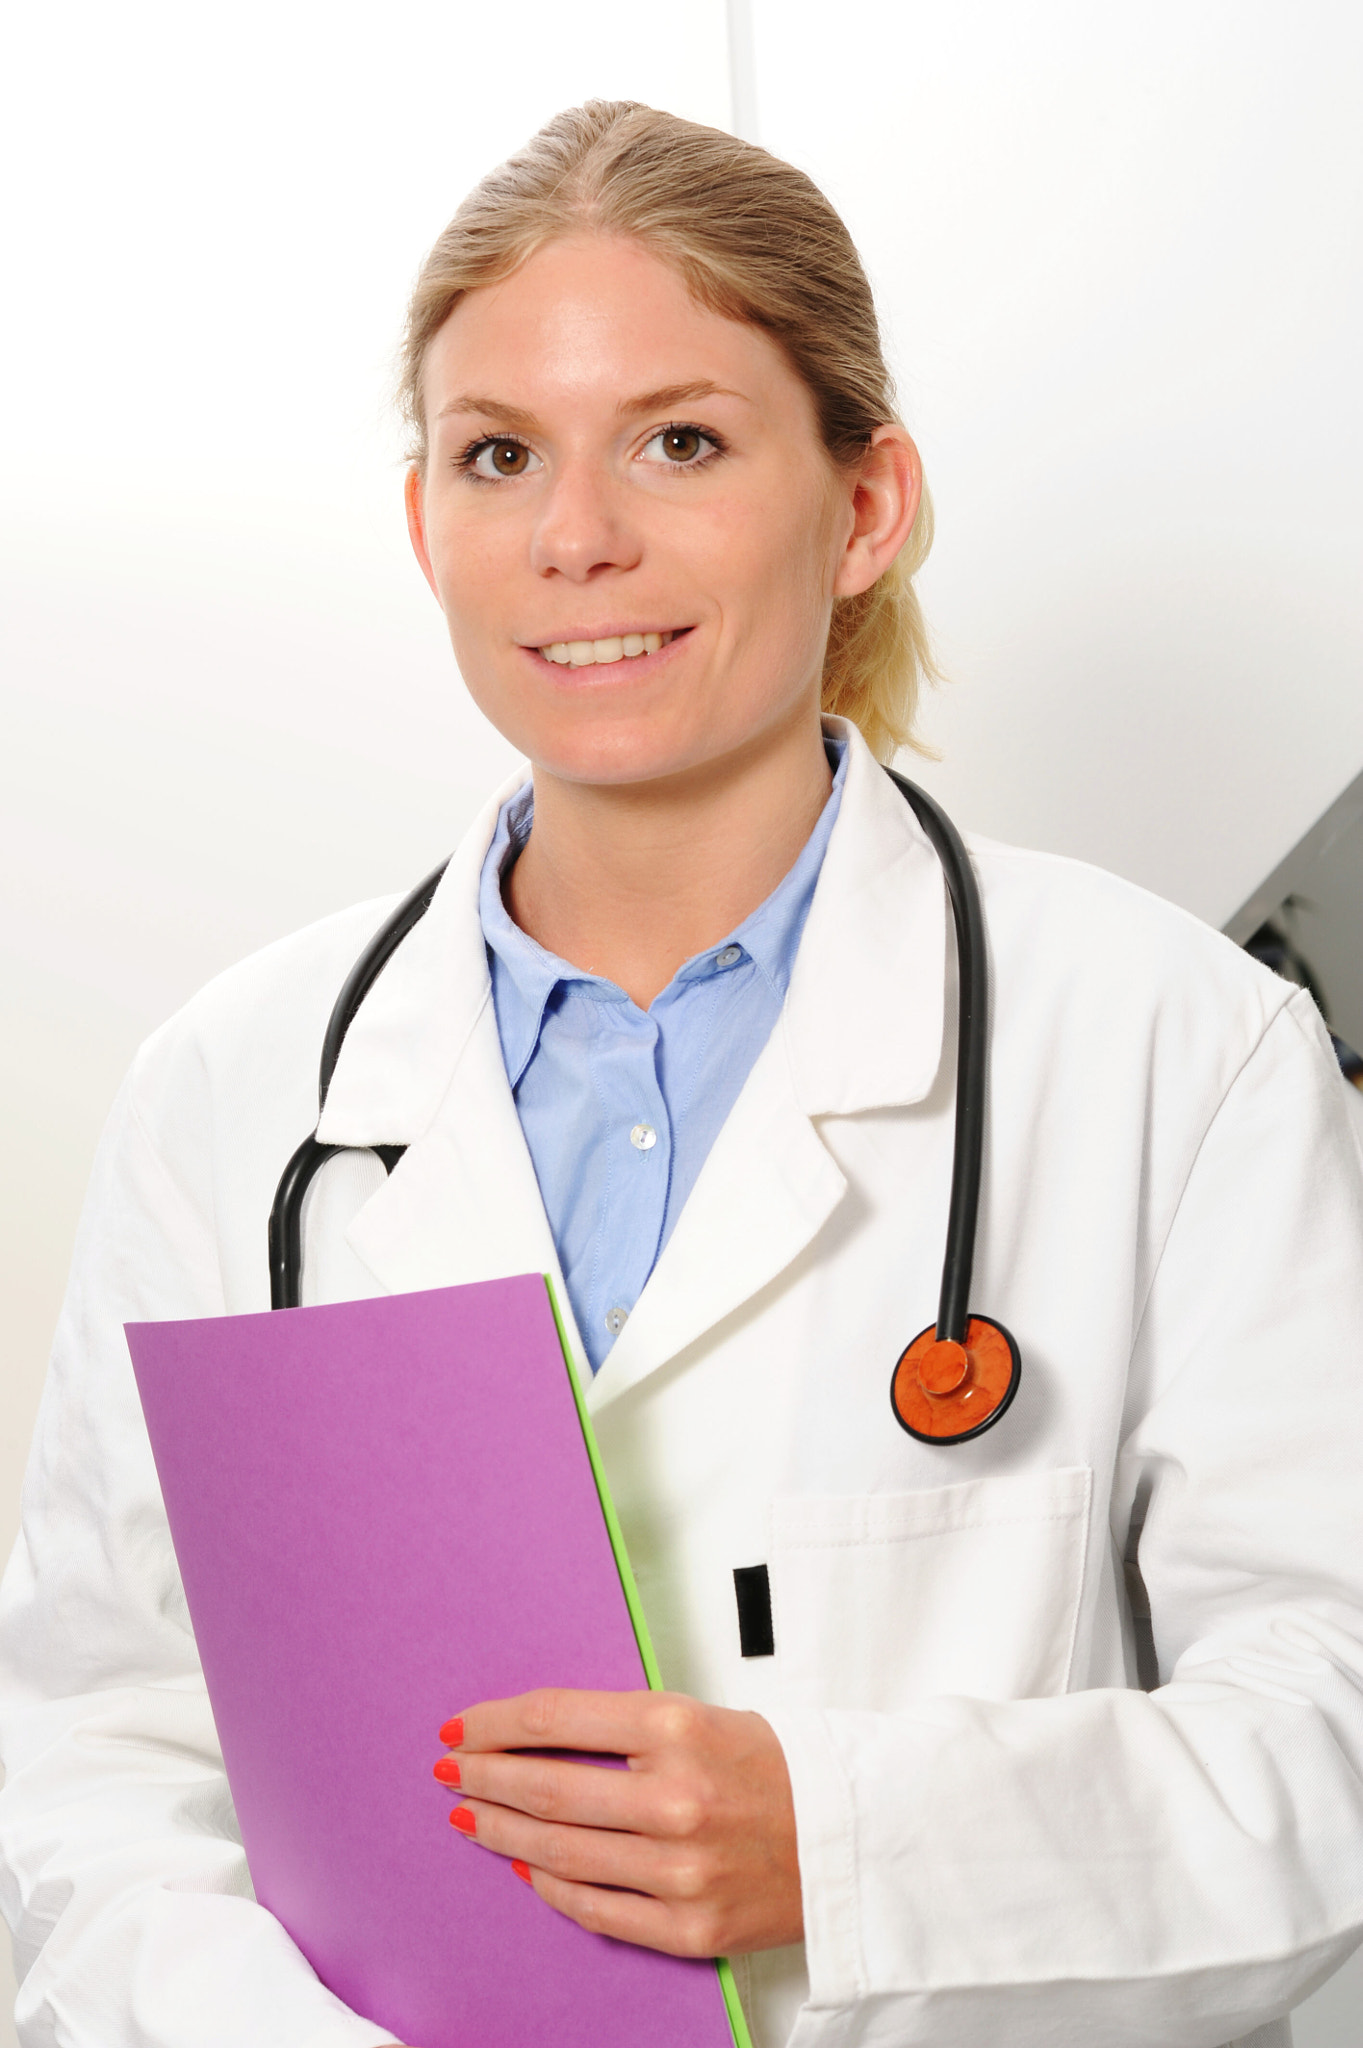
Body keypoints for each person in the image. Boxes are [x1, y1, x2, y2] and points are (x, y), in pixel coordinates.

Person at [2, 98, 1363, 2048]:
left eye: (680, 440)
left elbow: (1335, 1733)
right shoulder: (234, 1090)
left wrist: (848, 1841)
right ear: (423, 525)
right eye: (497, 456)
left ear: (867, 504)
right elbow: (90, 1748)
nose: (575, 538)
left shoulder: (1172, 1047)